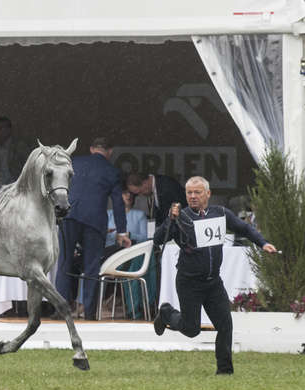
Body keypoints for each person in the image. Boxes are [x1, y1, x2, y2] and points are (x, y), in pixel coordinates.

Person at [153, 176, 277, 374]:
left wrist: (262, 243)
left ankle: (225, 370)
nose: (193, 197)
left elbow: (243, 228)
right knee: (191, 329)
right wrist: (170, 219)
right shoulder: (181, 217)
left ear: (208, 194)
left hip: (213, 282)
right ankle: (167, 312)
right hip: (189, 282)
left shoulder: (220, 213)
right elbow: (158, 240)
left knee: (225, 325)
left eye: (197, 192)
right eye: (189, 193)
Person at [55, 137, 131, 321]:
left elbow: (58, 187)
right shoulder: (111, 171)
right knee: (91, 267)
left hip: (69, 216)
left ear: (91, 149)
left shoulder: (74, 163)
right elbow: (118, 203)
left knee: (64, 264)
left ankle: (61, 310)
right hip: (94, 221)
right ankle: (89, 312)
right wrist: (122, 231)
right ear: (110, 151)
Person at [105, 188, 156, 319]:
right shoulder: (108, 214)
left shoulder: (139, 214)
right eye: (124, 192)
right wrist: (112, 235)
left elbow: (146, 238)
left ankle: (136, 307)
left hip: (131, 252)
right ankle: (135, 307)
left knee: (139, 262)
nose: (128, 196)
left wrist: (129, 235)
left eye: (131, 194)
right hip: (110, 254)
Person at [0, 116, 32, 189]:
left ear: (9, 129)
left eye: (0, 129)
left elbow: (28, 167)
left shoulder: (20, 146)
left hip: (14, 185)